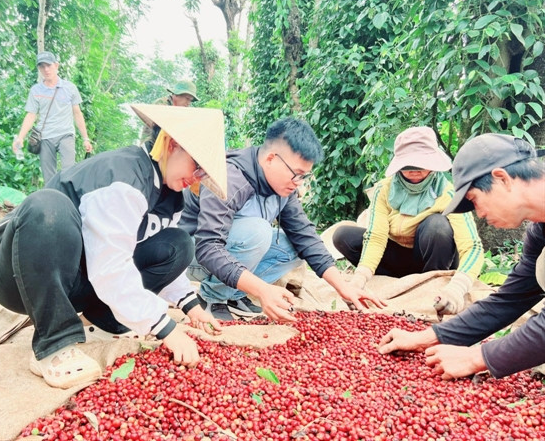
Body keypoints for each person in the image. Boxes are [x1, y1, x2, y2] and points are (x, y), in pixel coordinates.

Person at [0, 104, 228, 389]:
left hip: (79, 280)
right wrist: (165, 328)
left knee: (178, 244)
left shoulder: (171, 196)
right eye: (195, 165)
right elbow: (110, 265)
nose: (196, 178)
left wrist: (192, 306)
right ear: (172, 144)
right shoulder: (125, 176)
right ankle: (54, 345)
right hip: (23, 276)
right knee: (47, 206)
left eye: (202, 172)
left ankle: (101, 321)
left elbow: (137, 253)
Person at [179, 117, 386, 321]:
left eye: (304, 176)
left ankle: (234, 295)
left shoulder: (284, 188)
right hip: (190, 254)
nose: (299, 183)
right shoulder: (229, 178)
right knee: (258, 232)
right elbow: (208, 247)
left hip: (228, 249)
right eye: (296, 174)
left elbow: (305, 236)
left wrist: (344, 287)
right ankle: (212, 297)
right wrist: (262, 290)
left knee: (293, 246)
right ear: (271, 158)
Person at [378, 133, 545, 380]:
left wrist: (477, 357)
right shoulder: (539, 231)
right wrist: (425, 338)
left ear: (501, 179)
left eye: (474, 200)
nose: (479, 213)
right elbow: (511, 299)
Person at [332, 126, 484, 316]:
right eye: (408, 166)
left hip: (434, 258)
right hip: (398, 257)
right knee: (343, 235)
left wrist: (456, 289)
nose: (414, 171)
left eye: (421, 165)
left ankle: (430, 285)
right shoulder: (384, 189)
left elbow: (471, 246)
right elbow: (376, 237)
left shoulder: (448, 193)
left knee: (437, 225)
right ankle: (396, 281)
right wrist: (358, 280)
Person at [13, 51, 93, 184]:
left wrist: (85, 138)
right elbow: (31, 115)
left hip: (65, 134)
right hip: (45, 137)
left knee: (69, 173)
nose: (46, 69)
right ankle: (51, 203)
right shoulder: (36, 90)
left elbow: (77, 113)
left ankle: (69, 202)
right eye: (42, 66)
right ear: (39, 69)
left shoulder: (70, 88)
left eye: (48, 65)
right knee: (49, 178)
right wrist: (20, 137)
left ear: (56, 66)